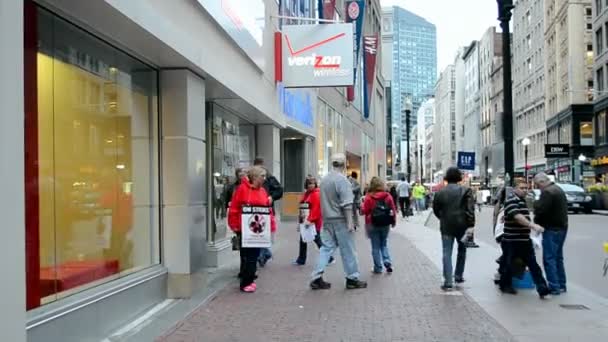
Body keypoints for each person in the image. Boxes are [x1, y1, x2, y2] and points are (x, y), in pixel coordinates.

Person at [310, 153, 367, 290]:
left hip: (327, 219)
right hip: (340, 219)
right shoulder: (342, 180)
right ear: (344, 164)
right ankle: (352, 277)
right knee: (348, 250)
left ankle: (316, 276)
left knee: (326, 248)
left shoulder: (324, 180)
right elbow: (347, 204)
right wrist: (350, 223)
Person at [228, 166, 276, 293]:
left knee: (253, 255)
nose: (265, 179)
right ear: (255, 177)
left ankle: (249, 279)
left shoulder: (263, 191)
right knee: (247, 255)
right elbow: (234, 208)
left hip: (257, 230)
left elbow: (267, 209)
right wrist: (234, 225)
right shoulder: (242, 189)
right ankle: (246, 282)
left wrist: (271, 224)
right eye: (262, 176)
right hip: (244, 228)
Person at [499, 178, 550, 298]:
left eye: (526, 188)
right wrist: (532, 225)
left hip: (524, 240)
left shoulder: (522, 201)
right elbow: (517, 216)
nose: (524, 190)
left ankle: (542, 288)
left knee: (533, 265)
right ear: (515, 189)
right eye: (521, 188)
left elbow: (515, 216)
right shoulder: (511, 200)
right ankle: (505, 285)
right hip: (511, 240)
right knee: (508, 264)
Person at [432, 167, 475, 291]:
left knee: (447, 252)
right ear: (458, 177)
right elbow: (470, 210)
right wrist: (471, 225)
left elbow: (435, 209)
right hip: (463, 226)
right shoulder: (466, 190)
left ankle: (448, 281)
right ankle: (458, 275)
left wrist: (442, 217)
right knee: (462, 250)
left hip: (446, 225)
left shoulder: (440, 192)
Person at [533, 172, 569, 295]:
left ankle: (554, 286)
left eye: (538, 185)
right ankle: (561, 284)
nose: (538, 188)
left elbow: (541, 210)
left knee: (549, 258)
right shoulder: (558, 189)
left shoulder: (547, 192)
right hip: (562, 227)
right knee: (558, 257)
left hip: (551, 228)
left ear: (542, 182)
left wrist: (535, 204)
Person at [293, 176, 334, 265]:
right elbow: (302, 209)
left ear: (315, 184)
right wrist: (300, 223)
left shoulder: (316, 194)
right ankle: (301, 259)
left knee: (317, 240)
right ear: (306, 185)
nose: (311, 185)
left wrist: (311, 220)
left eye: (312, 183)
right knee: (303, 240)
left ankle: (329, 258)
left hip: (313, 222)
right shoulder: (306, 194)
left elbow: (316, 209)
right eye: (309, 184)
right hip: (305, 221)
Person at [361, 177, 397, 273]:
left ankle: (378, 267)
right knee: (384, 244)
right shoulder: (388, 196)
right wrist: (393, 221)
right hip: (385, 223)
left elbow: (364, 211)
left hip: (372, 223)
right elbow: (393, 210)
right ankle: (387, 261)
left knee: (375, 246)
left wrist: (361, 205)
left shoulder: (368, 197)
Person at [253, 157, 284, 267]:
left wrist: (272, 197)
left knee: (264, 234)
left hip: (266, 211)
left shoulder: (270, 178)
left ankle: (263, 255)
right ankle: (265, 254)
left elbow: (280, 190)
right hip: (253, 211)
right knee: (257, 235)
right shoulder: (251, 178)